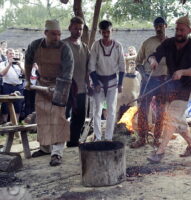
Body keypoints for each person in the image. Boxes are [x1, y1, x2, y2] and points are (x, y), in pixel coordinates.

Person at [146, 15, 191, 163]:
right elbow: (154, 55)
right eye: (177, 29)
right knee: (178, 119)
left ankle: (160, 152)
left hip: (186, 87)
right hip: (171, 85)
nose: (179, 32)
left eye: (182, 30)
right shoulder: (169, 43)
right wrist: (153, 61)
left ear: (189, 31)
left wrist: (182, 72)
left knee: (171, 117)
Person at [25, 19, 74, 166]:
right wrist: (28, 81)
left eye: (59, 34)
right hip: (42, 84)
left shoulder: (65, 49)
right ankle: (45, 148)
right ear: (45, 33)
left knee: (58, 118)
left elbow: (68, 74)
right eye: (54, 34)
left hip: (61, 85)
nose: (57, 37)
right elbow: (28, 62)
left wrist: (58, 90)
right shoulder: (35, 45)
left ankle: (57, 153)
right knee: (43, 117)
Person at [130, 17, 168, 148]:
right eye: (156, 26)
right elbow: (138, 62)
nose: (159, 28)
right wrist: (144, 74)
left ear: (165, 26)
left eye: (161, 25)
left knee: (161, 110)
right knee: (143, 108)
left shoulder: (171, 44)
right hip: (148, 80)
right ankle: (142, 137)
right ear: (154, 27)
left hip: (164, 81)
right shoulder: (147, 43)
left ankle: (157, 138)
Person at [89, 20, 125, 141]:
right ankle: (98, 137)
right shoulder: (96, 45)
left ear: (111, 31)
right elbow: (91, 65)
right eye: (103, 32)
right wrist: (94, 81)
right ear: (100, 32)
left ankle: (109, 137)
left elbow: (122, 66)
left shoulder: (118, 46)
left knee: (111, 110)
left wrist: (120, 84)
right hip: (98, 80)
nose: (106, 34)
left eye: (108, 31)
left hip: (112, 81)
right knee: (97, 110)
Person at [63, 16, 91, 147]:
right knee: (62, 116)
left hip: (81, 88)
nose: (78, 31)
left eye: (80, 29)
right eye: (75, 28)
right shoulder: (63, 45)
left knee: (79, 117)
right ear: (70, 28)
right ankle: (57, 143)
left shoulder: (85, 47)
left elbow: (87, 69)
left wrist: (89, 84)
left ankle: (73, 141)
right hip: (65, 88)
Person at [0, 48, 25, 122]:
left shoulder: (20, 63)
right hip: (7, 86)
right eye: (10, 53)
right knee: (5, 106)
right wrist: (9, 65)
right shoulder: (3, 63)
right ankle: (5, 124)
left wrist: (20, 66)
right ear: (6, 55)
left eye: (13, 54)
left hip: (18, 86)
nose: (12, 55)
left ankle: (15, 124)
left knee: (18, 106)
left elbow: (26, 74)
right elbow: (2, 74)